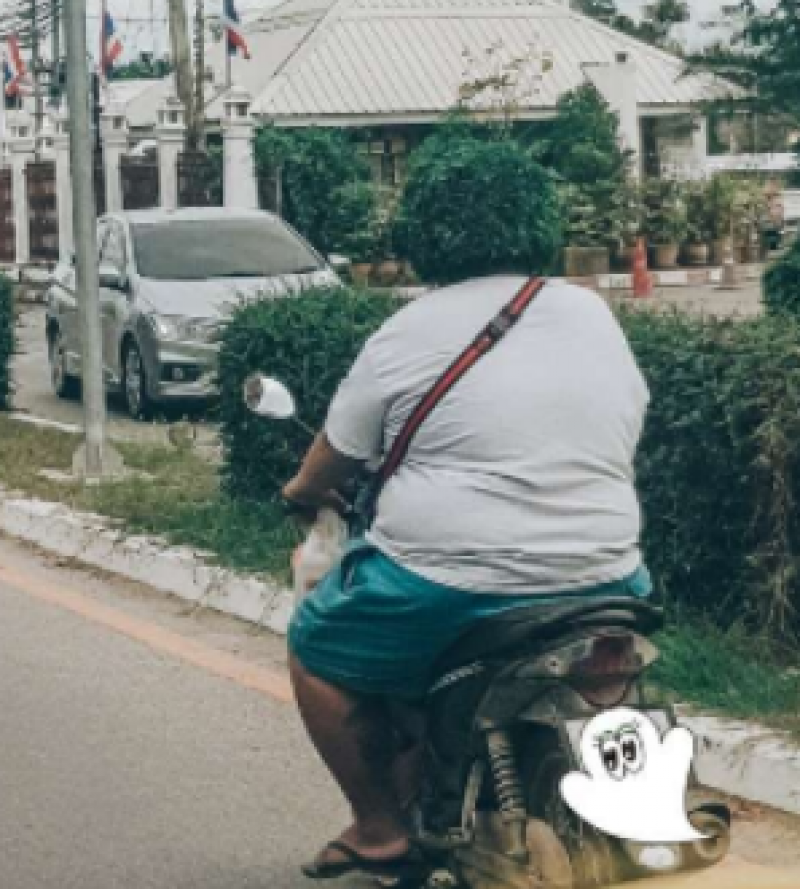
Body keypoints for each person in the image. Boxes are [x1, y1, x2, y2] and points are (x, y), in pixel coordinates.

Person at [283, 274, 652, 881]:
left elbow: (337, 451)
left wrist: (301, 491)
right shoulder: (591, 313)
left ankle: (378, 831)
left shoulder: (407, 329)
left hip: (448, 582)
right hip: (609, 576)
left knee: (315, 650)